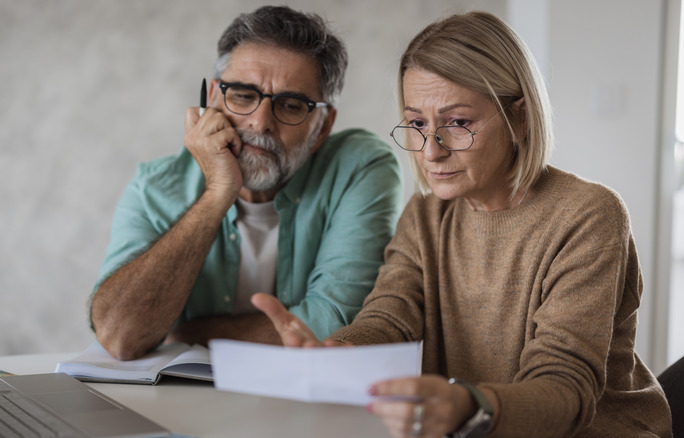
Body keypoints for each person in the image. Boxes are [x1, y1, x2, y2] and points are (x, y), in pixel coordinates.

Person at [253, 10, 672, 438]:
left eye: (457, 123)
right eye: (417, 123)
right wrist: (336, 355)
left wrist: (471, 405)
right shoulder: (424, 216)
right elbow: (389, 319)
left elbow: (565, 388)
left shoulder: (589, 214)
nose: (431, 151)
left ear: (520, 118)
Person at [89, 6, 403, 361]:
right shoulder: (154, 189)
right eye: (242, 95)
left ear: (323, 127)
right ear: (212, 100)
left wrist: (186, 333)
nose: (259, 122)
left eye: (290, 105)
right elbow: (120, 337)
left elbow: (334, 325)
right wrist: (216, 195)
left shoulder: (359, 167)